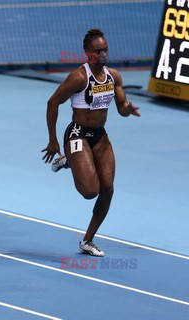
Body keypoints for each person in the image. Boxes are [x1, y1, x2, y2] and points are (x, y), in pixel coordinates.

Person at [41, 29, 140, 257]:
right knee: (89, 191)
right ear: (87, 53)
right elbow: (52, 103)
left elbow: (121, 108)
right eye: (98, 51)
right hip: (77, 134)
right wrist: (53, 140)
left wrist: (127, 110)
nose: (103, 54)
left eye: (105, 49)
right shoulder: (79, 77)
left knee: (107, 189)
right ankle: (68, 160)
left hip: (100, 137)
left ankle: (87, 241)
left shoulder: (114, 76)